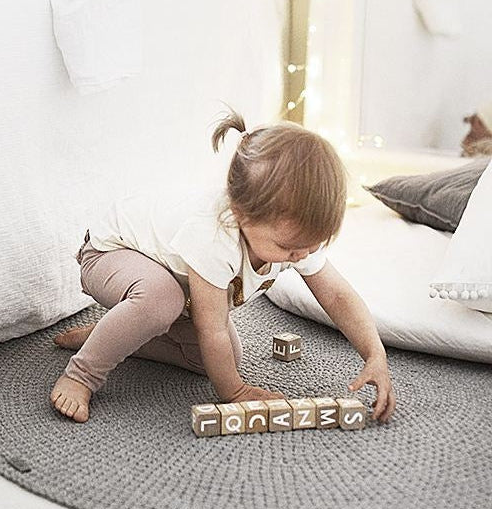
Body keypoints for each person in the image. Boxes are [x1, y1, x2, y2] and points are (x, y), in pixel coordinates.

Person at [50, 107, 396, 424]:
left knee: (213, 360)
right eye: (288, 247)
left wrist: (374, 353)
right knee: (163, 302)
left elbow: (336, 296)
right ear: (241, 214)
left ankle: (111, 334)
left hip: (171, 278)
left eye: (313, 245)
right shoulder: (214, 234)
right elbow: (211, 327)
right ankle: (82, 374)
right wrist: (234, 392)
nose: (301, 255)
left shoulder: (298, 242)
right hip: (109, 255)